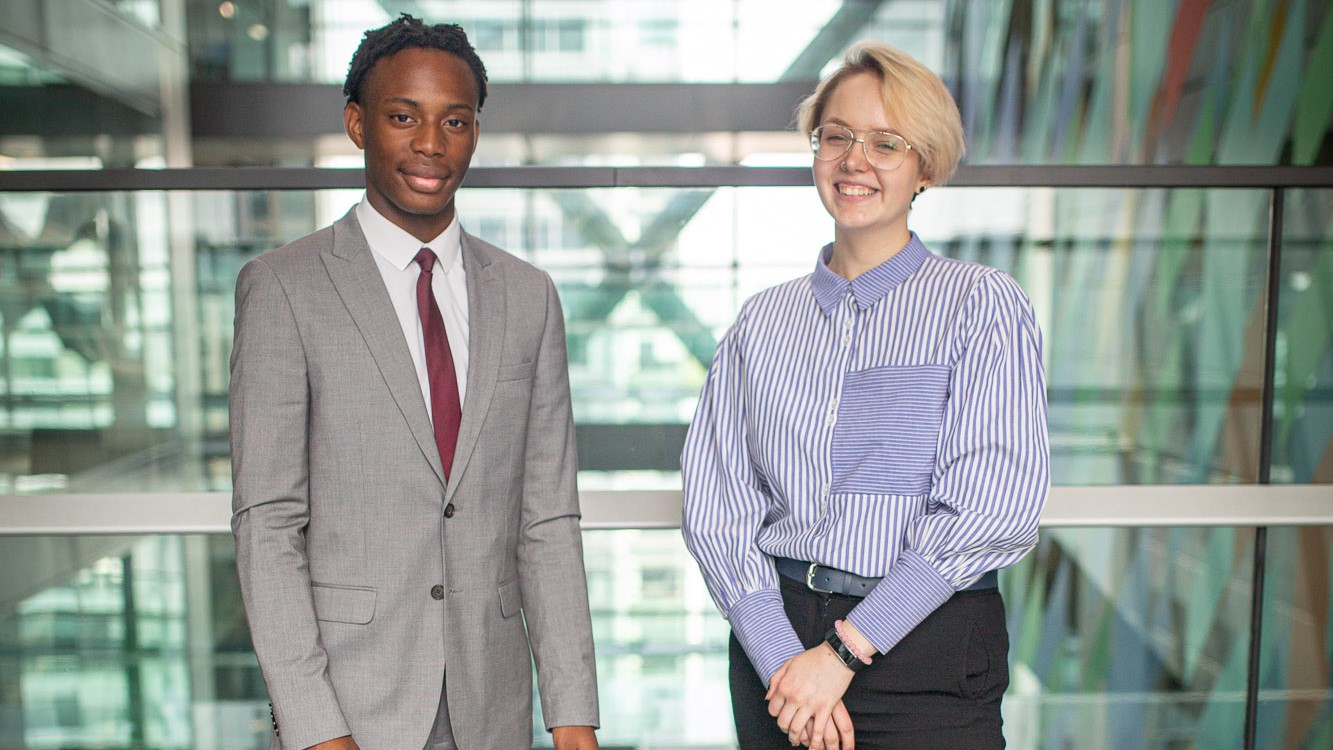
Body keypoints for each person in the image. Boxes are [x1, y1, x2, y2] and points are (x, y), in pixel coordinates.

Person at [229, 15, 599, 750]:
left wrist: (572, 713)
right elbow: (267, 525)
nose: (431, 144)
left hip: (490, 708)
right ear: (357, 123)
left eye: (454, 121)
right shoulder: (283, 287)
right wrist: (312, 728)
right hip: (347, 711)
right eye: (403, 117)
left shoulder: (528, 295)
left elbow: (546, 521)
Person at [681, 40, 1049, 750]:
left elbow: (989, 506)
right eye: (837, 136)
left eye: (886, 143)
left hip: (927, 643)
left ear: (925, 167)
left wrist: (844, 652)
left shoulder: (979, 305)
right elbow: (718, 504)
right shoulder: (761, 320)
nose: (854, 160)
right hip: (777, 637)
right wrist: (784, 659)